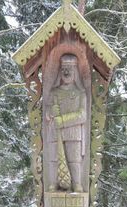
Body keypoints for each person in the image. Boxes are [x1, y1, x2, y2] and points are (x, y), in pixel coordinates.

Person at [46, 54, 86, 193]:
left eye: (70, 69)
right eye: (63, 69)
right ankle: (53, 183)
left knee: (74, 160)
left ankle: (77, 184)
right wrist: (51, 112)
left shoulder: (80, 93)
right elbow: (47, 113)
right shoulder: (54, 92)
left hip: (73, 132)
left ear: (75, 72)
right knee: (54, 159)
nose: (66, 72)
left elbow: (82, 115)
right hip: (55, 132)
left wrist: (63, 120)